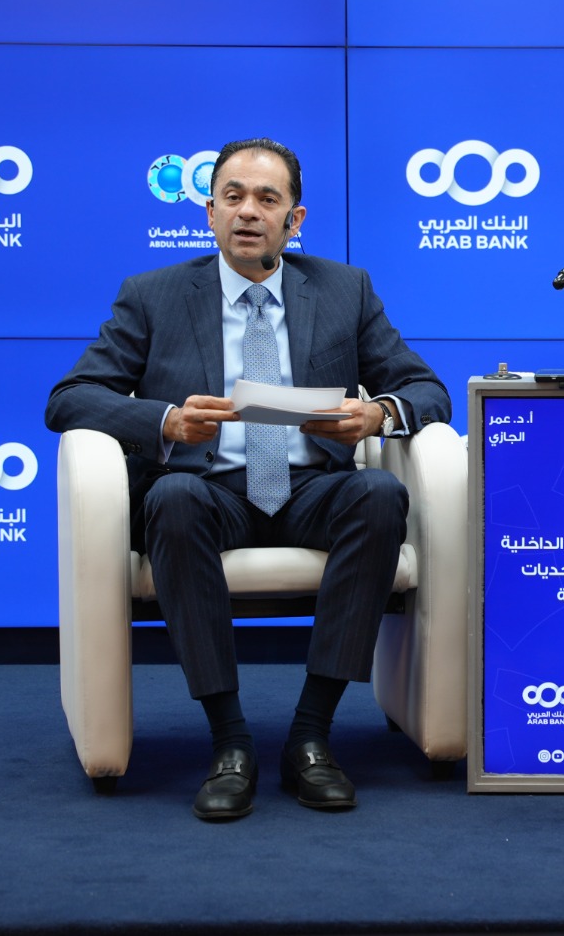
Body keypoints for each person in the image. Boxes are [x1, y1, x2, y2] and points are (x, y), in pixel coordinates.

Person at [46, 138, 450, 821]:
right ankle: (230, 741)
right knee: (172, 498)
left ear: (295, 219)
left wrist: (376, 414)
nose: (248, 212)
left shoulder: (345, 289)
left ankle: (311, 736)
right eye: (232, 197)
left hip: (312, 490)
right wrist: (167, 421)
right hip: (211, 492)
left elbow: (425, 389)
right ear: (210, 213)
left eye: (267, 199)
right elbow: (70, 398)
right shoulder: (153, 295)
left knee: (379, 494)